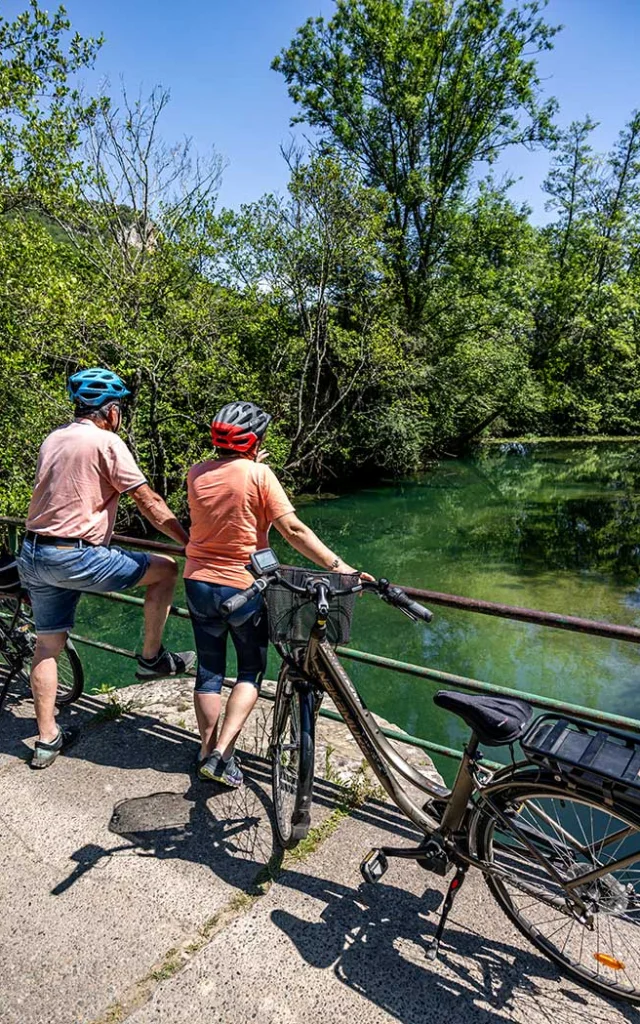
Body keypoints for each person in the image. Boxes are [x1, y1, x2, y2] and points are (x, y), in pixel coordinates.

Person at [17, 367, 195, 768]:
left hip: (33, 551)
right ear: (111, 411)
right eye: (120, 409)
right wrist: (189, 543)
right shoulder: (107, 442)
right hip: (76, 555)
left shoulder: (54, 438)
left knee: (47, 644)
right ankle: (151, 658)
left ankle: (47, 739)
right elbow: (148, 502)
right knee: (166, 569)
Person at [184, 400, 367, 788]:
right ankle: (223, 755)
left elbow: (227, 489)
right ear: (253, 442)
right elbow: (294, 531)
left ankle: (205, 751)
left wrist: (251, 463)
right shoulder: (259, 475)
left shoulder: (195, 473)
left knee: (210, 670)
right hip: (243, 584)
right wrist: (342, 569)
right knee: (249, 671)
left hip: (197, 582)